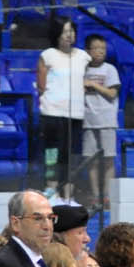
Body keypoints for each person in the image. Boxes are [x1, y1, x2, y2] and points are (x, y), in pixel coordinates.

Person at [36, 18, 89, 199]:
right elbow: (41, 85)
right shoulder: (48, 55)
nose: (69, 35)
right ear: (57, 34)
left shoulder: (83, 56)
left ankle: (68, 194)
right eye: (65, 31)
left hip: (76, 113)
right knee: (52, 153)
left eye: (71, 31)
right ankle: (51, 187)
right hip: (52, 112)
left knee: (71, 155)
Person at [80, 34, 121, 212]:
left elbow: (112, 93)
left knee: (108, 160)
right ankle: (95, 196)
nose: (100, 52)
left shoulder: (110, 69)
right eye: (96, 48)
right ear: (88, 51)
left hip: (107, 120)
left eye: (103, 49)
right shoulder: (82, 69)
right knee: (92, 161)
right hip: (88, 120)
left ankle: (107, 196)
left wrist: (93, 85)